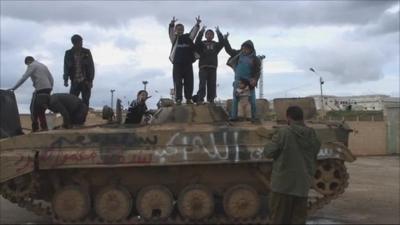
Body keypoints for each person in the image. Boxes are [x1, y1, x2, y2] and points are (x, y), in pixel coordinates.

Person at [263, 106, 321, 224]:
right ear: (301, 118)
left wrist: (272, 139)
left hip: (282, 187)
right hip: (302, 186)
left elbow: (268, 153)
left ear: (288, 117)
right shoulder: (312, 134)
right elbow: (315, 151)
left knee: (278, 219)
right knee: (298, 220)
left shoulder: (283, 132)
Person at [223, 35, 262, 121]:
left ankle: (254, 117)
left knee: (252, 100)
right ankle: (234, 117)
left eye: (247, 48)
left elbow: (257, 71)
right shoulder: (238, 55)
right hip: (238, 81)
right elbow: (229, 50)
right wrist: (225, 40)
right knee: (235, 99)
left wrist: (255, 79)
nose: (245, 50)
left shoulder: (255, 59)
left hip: (249, 82)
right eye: (243, 48)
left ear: (251, 49)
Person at [10, 56, 54, 132]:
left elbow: (24, 77)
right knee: (41, 109)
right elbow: (51, 78)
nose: (27, 66)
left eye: (27, 65)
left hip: (40, 89)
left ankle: (35, 128)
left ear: (28, 62)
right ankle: (44, 127)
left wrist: (13, 88)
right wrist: (50, 88)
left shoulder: (32, 65)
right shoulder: (43, 65)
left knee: (33, 109)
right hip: (48, 89)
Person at [168, 16, 201, 105]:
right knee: (177, 82)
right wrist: (171, 24)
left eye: (181, 29)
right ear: (175, 30)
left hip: (188, 63)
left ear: (183, 29)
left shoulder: (188, 38)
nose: (179, 30)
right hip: (177, 64)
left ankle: (189, 98)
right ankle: (178, 99)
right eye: (177, 29)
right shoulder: (174, 39)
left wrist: (197, 25)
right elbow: (170, 32)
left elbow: (193, 33)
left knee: (189, 82)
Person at [194, 26, 224, 104]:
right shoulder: (202, 44)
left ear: (213, 36)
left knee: (212, 84)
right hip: (203, 66)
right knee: (202, 83)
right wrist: (201, 32)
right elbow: (196, 42)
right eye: (207, 34)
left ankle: (211, 99)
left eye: (211, 34)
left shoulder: (216, 45)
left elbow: (222, 43)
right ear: (205, 35)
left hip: (213, 67)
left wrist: (218, 32)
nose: (209, 36)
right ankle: (200, 99)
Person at [63, 34, 95, 107]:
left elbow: (91, 67)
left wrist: (90, 80)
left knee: (85, 102)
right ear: (74, 43)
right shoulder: (68, 53)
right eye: (80, 42)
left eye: (81, 42)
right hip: (75, 81)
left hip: (86, 81)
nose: (81, 44)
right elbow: (66, 67)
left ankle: (83, 118)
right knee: (72, 101)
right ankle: (73, 118)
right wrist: (65, 79)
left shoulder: (86, 52)